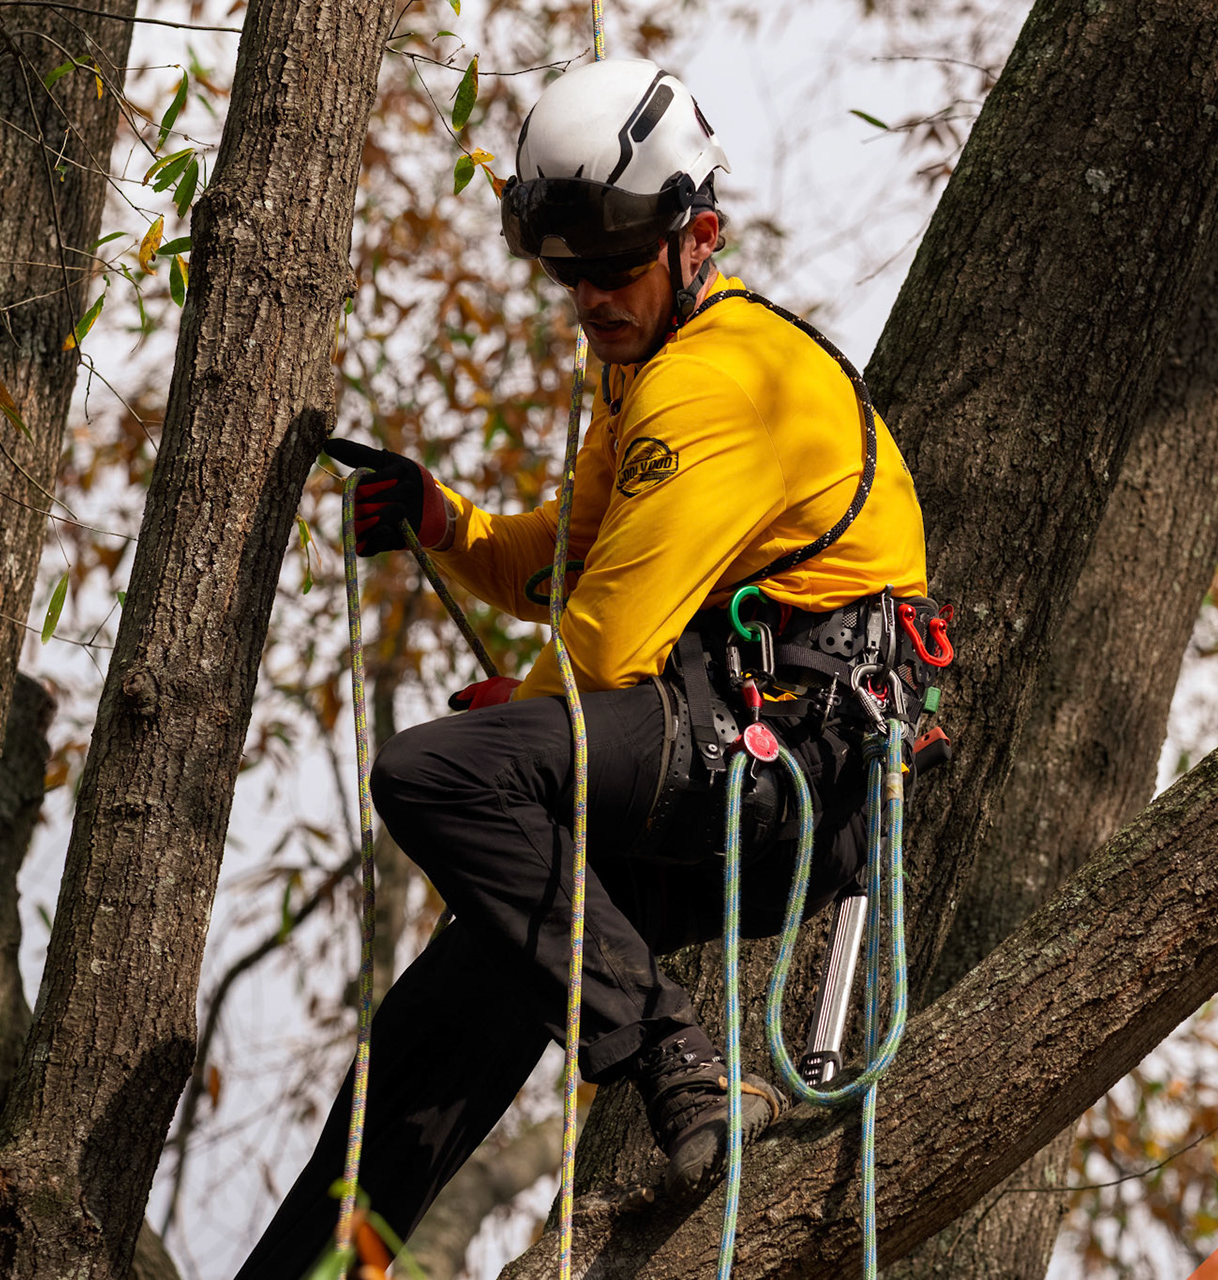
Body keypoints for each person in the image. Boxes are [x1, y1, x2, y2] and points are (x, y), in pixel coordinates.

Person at [234, 57, 933, 1278]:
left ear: (697, 235)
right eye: (567, 275)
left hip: (789, 770)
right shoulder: (641, 370)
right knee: (431, 1044)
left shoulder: (723, 383)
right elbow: (570, 562)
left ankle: (665, 1051)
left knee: (439, 774)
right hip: (716, 750)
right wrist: (446, 523)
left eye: (613, 268)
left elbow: (604, 647)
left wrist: (521, 716)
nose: (590, 300)